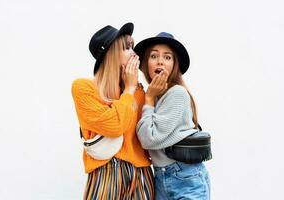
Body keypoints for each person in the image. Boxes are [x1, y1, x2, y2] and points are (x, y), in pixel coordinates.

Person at [71, 23, 154, 200]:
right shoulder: (84, 88)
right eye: (126, 48)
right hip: (106, 173)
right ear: (111, 54)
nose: (134, 53)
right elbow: (115, 126)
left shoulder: (140, 93)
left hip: (142, 175)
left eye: (132, 46)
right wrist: (129, 90)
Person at [134, 32, 210, 200]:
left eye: (167, 57)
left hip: (185, 178)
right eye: (154, 56)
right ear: (146, 63)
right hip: (162, 177)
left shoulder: (177, 93)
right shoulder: (156, 96)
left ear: (174, 65)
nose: (160, 61)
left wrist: (148, 99)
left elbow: (148, 139)